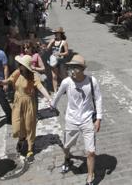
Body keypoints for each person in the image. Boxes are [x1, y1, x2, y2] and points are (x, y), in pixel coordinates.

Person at [49, 54, 103, 185]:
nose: (71, 71)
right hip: (71, 120)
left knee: (91, 152)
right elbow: (58, 95)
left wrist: (99, 119)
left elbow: (98, 99)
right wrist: (52, 105)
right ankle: (67, 157)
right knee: (67, 146)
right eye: (70, 68)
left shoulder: (91, 81)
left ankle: (90, 176)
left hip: (87, 120)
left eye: (74, 68)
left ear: (82, 69)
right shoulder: (67, 82)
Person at [0, 55, 51, 162]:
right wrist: (1, 82)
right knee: (17, 125)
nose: (19, 66)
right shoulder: (17, 72)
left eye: (21, 65)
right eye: (19, 64)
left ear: (25, 66)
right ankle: (21, 138)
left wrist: (49, 98)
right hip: (17, 101)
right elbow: (9, 80)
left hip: (28, 102)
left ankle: (30, 148)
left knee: (29, 125)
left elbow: (40, 86)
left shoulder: (33, 75)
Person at [46, 27, 69, 92]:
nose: (55, 34)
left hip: (61, 61)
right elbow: (47, 49)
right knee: (54, 76)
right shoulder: (52, 41)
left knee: (63, 76)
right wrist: (50, 43)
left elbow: (67, 53)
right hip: (54, 61)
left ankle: (68, 88)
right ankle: (56, 91)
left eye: (57, 33)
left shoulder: (64, 42)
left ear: (61, 34)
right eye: (55, 33)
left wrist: (59, 54)